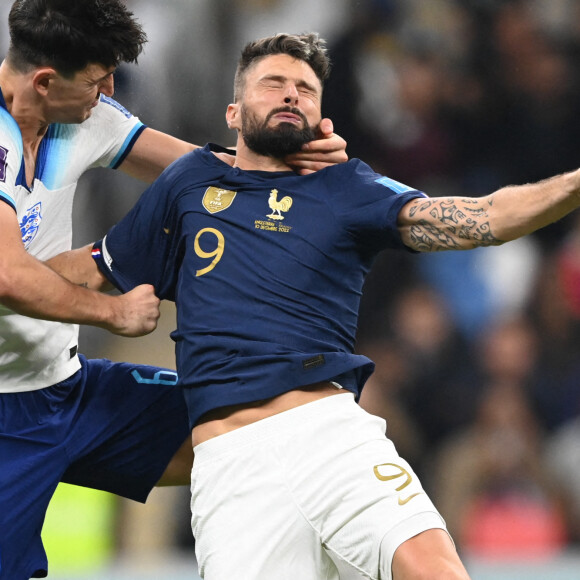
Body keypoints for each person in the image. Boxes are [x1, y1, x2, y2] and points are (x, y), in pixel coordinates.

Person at [54, 31, 580, 579]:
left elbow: (483, 217)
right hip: (234, 467)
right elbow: (92, 269)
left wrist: (574, 184)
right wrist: (12, 278)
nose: (290, 95)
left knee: (439, 572)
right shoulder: (190, 183)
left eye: (305, 89)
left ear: (322, 115)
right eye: (273, 83)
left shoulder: (347, 186)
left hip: (331, 436)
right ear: (234, 112)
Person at [0, 1, 348, 577]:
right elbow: (8, 276)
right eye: (97, 79)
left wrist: (298, 158)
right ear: (43, 81)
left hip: (70, 389)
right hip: (8, 416)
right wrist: (110, 311)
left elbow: (205, 170)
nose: (110, 89)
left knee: (245, 421)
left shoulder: (81, 118)